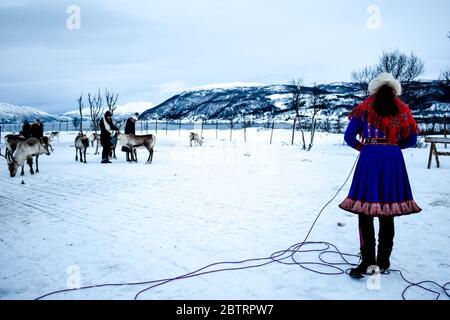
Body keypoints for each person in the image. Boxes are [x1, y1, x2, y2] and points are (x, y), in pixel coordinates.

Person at [338, 73, 422, 279]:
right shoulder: (402, 111)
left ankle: (368, 261)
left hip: (370, 158)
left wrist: (365, 148)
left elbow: (349, 137)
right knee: (388, 210)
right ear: (394, 91)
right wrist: (392, 147)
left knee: (364, 210)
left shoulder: (365, 108)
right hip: (393, 160)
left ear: (374, 90)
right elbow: (412, 140)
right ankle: (383, 261)